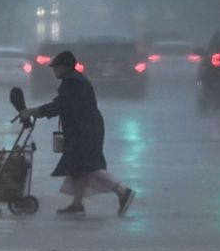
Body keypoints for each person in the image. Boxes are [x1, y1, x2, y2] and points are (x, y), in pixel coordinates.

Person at [19, 50, 135, 216]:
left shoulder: (74, 83)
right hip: (83, 128)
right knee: (77, 167)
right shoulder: (72, 80)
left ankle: (122, 192)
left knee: (89, 165)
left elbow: (60, 105)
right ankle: (77, 204)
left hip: (85, 130)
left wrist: (34, 111)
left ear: (65, 67)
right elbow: (61, 105)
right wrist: (36, 112)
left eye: (56, 67)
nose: (54, 71)